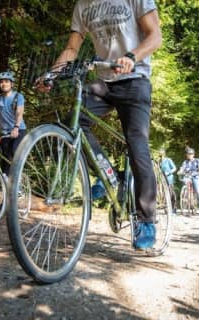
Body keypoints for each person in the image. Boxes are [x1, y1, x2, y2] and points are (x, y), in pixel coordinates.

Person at [36, 0, 162, 249]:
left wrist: (131, 56)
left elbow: (155, 35)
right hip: (105, 82)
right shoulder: (82, 6)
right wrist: (52, 73)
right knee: (74, 121)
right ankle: (111, 177)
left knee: (137, 146)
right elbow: (72, 48)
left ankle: (147, 220)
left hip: (135, 79)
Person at [178, 147, 199, 215]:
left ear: (193, 154)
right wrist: (180, 171)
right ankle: (186, 201)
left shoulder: (197, 160)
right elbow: (182, 168)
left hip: (196, 177)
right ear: (186, 155)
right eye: (188, 154)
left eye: (191, 154)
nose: (190, 155)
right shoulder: (185, 162)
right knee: (184, 184)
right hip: (188, 177)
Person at [159, 149, 177, 213]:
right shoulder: (159, 161)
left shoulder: (168, 160)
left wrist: (168, 172)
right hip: (163, 180)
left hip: (169, 179)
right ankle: (167, 208)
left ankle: (174, 209)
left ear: (164, 153)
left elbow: (174, 168)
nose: (160, 154)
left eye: (160, 152)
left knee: (171, 193)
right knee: (165, 194)